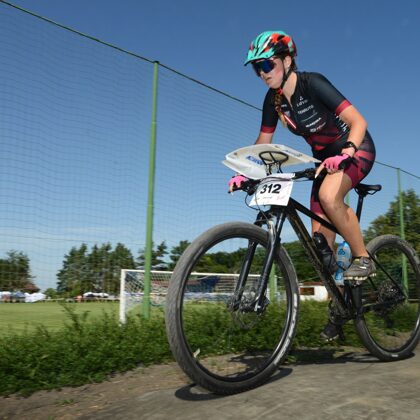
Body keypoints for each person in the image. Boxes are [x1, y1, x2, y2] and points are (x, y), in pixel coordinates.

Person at [229, 30, 376, 341]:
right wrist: (246, 171)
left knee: (329, 196)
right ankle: (341, 307)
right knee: (320, 248)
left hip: (356, 148)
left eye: (266, 65)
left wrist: (347, 151)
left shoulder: (313, 83)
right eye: (257, 68)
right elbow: (262, 144)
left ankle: (363, 258)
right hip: (324, 161)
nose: (262, 73)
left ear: (287, 60)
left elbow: (359, 122)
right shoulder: (273, 101)